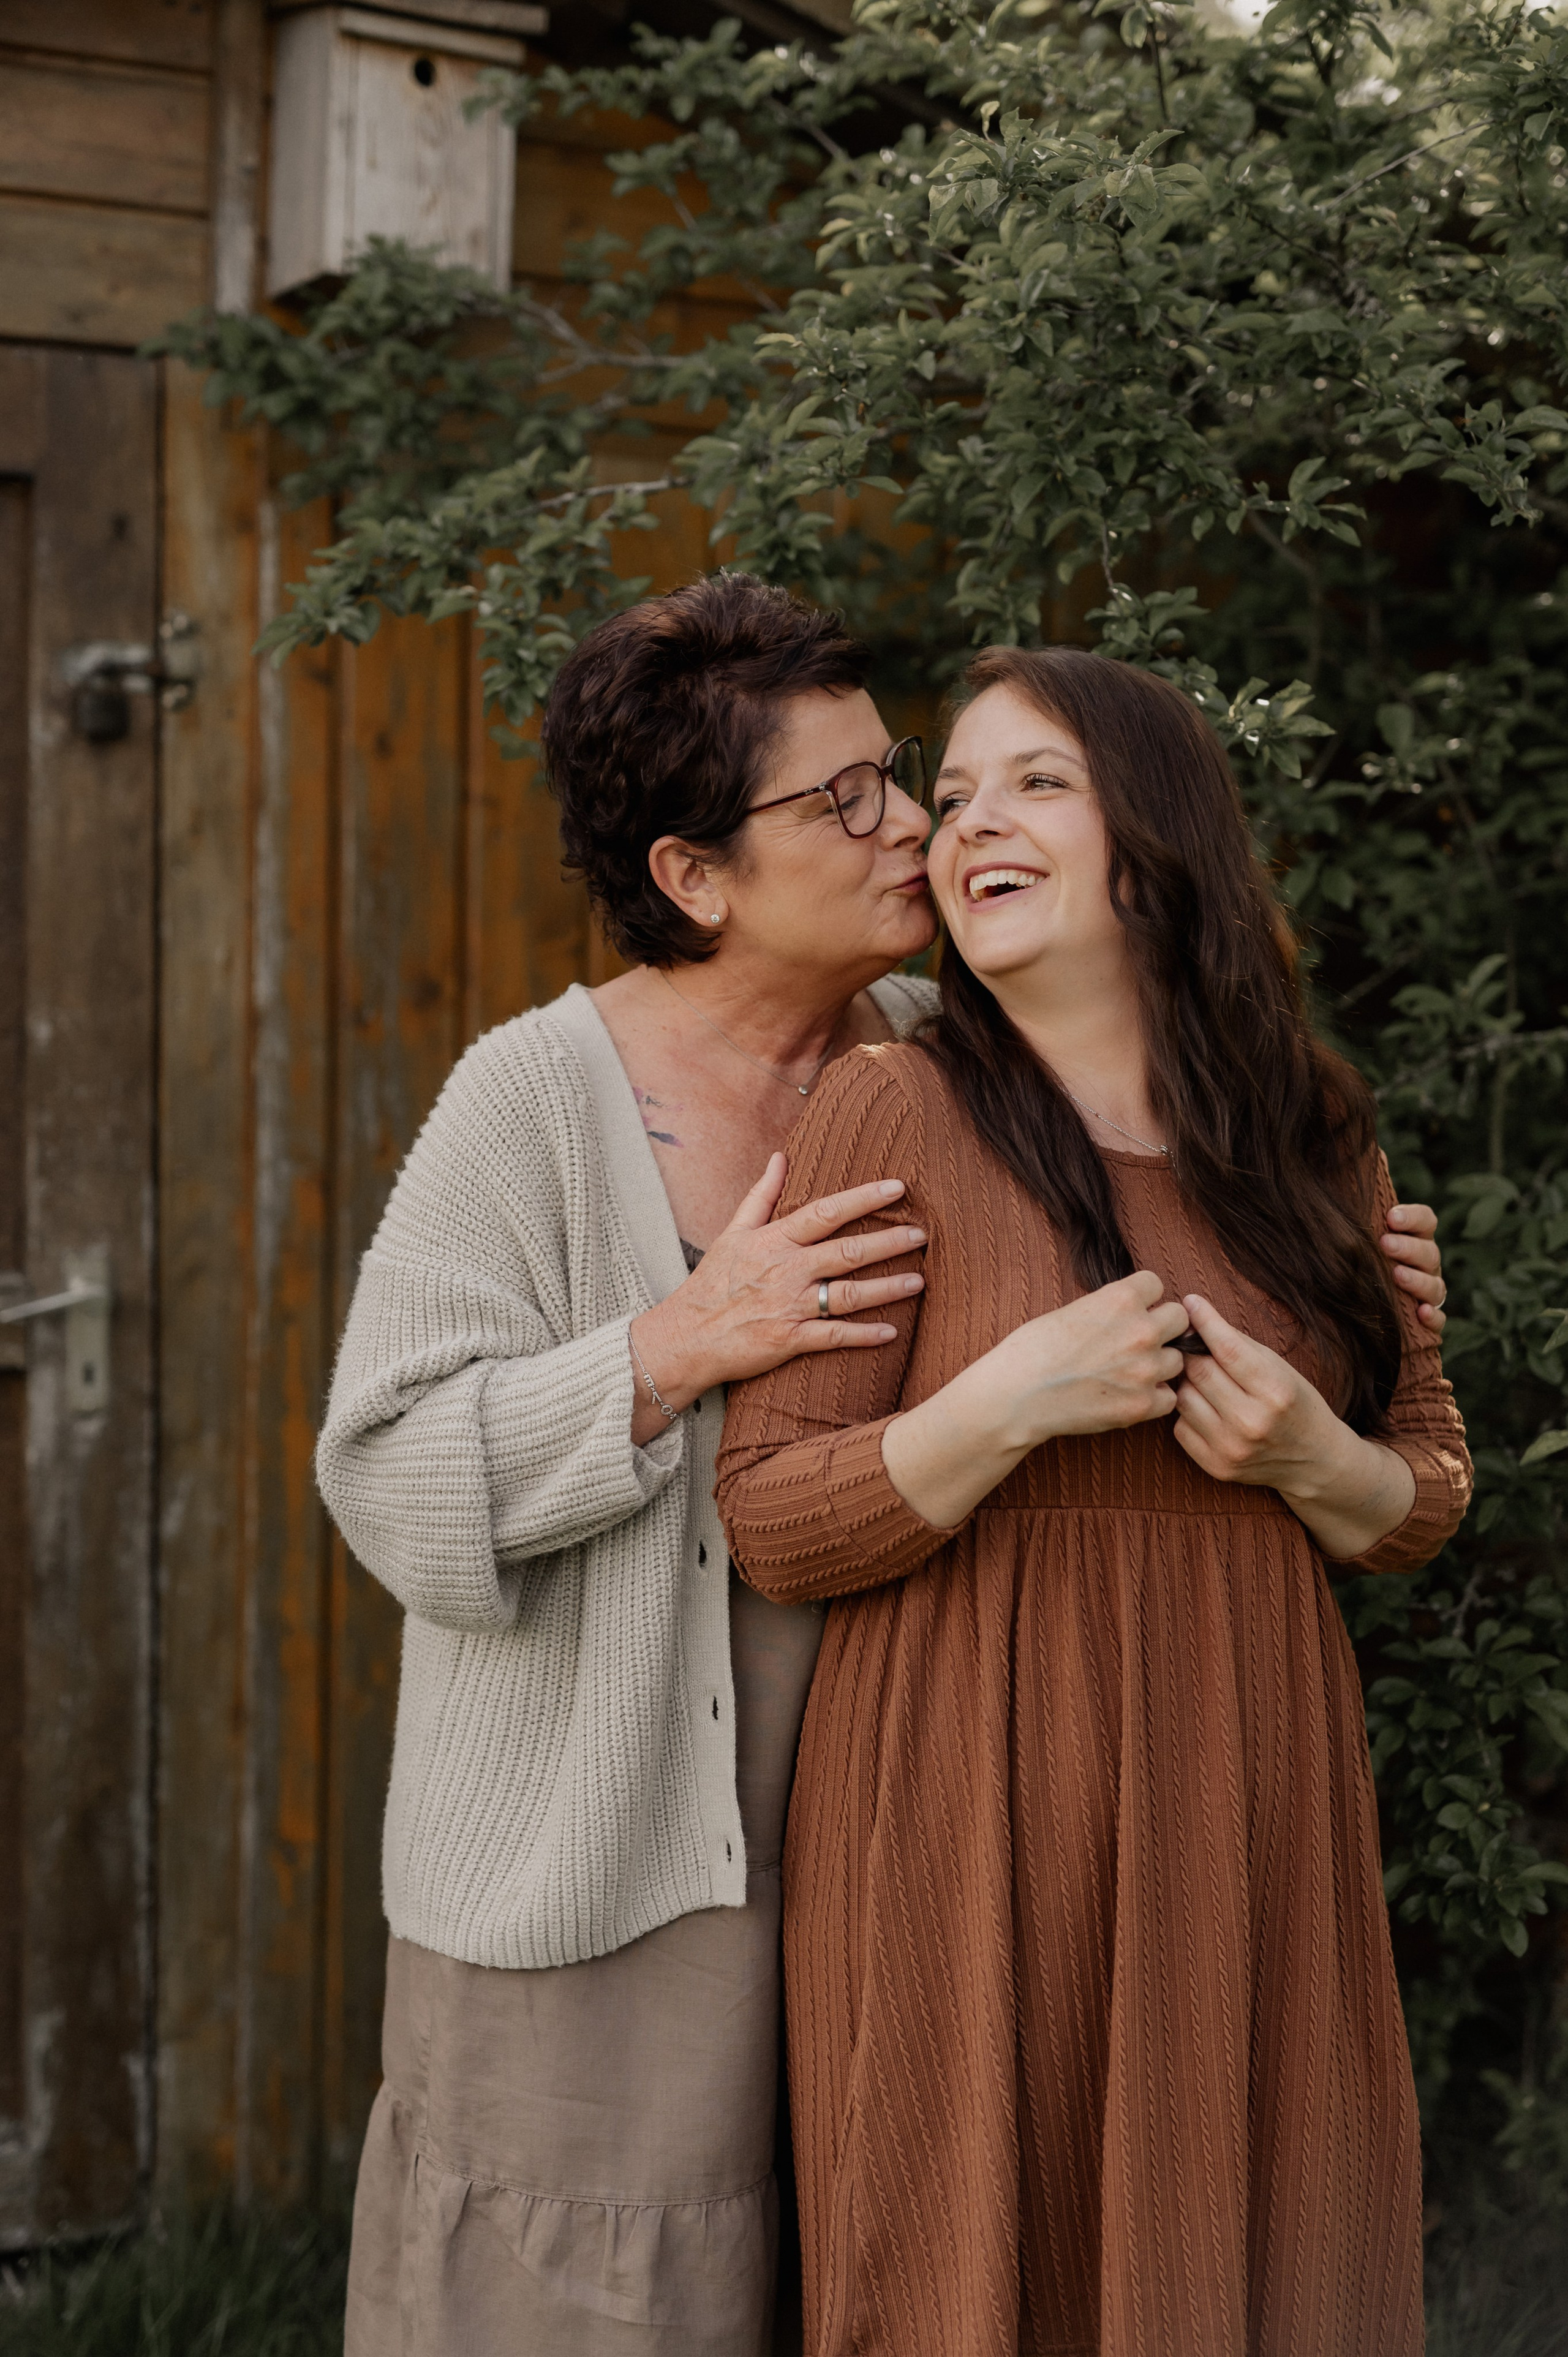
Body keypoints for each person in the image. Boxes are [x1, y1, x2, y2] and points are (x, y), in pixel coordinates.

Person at [316, 581, 1449, 2357]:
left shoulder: (944, 1049)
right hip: (611, 1837)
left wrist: (1335, 1288)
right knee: (594, 2294)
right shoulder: (533, 1100)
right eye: (845, 800)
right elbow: (384, 1474)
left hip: (900, 1809)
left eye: (899, 776)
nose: (916, 822)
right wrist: (678, 1342)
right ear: (696, 875)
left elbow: (1193, 1229)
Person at [715, 645, 1471, 2357]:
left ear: (1157, 832)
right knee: (970, 2258)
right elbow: (770, 1514)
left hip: (1243, 1787)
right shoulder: (887, 1106)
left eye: (1034, 781)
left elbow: (1421, 1486)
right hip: (963, 1793)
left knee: (1240, 2248)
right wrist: (1006, 1405)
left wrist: (1309, 1459)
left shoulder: (1311, 1135)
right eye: (957, 791)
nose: (973, 818)